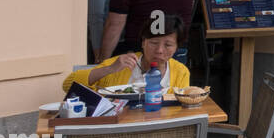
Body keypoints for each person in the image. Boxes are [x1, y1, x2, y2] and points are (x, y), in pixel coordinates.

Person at [63, 12, 191, 95]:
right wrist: (110, 69)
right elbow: (68, 84)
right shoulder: (120, 64)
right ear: (143, 42)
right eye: (154, 42)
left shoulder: (180, 72)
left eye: (168, 45)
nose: (159, 50)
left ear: (176, 48)